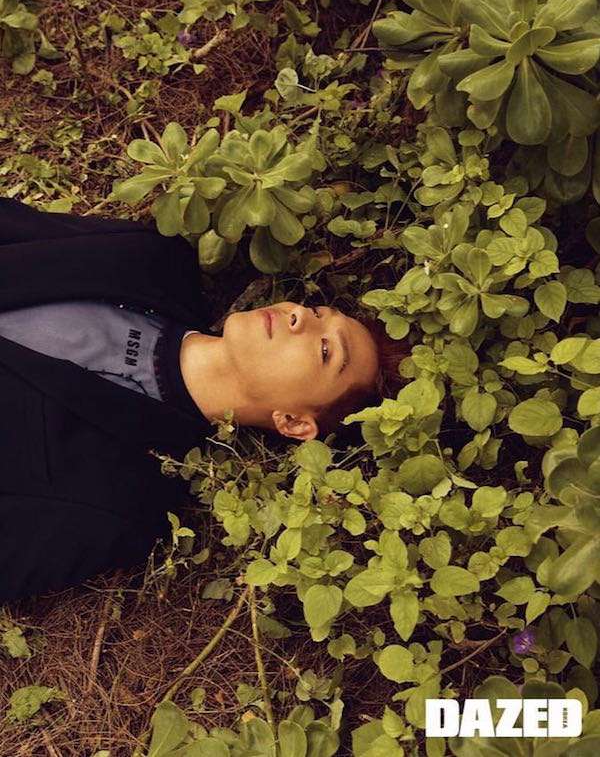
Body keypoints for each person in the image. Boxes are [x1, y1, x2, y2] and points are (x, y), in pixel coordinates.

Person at [0, 197, 401, 605]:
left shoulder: (115, 501)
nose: (298, 314)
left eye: (326, 350)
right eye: (317, 312)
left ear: (295, 423)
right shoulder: (152, 259)